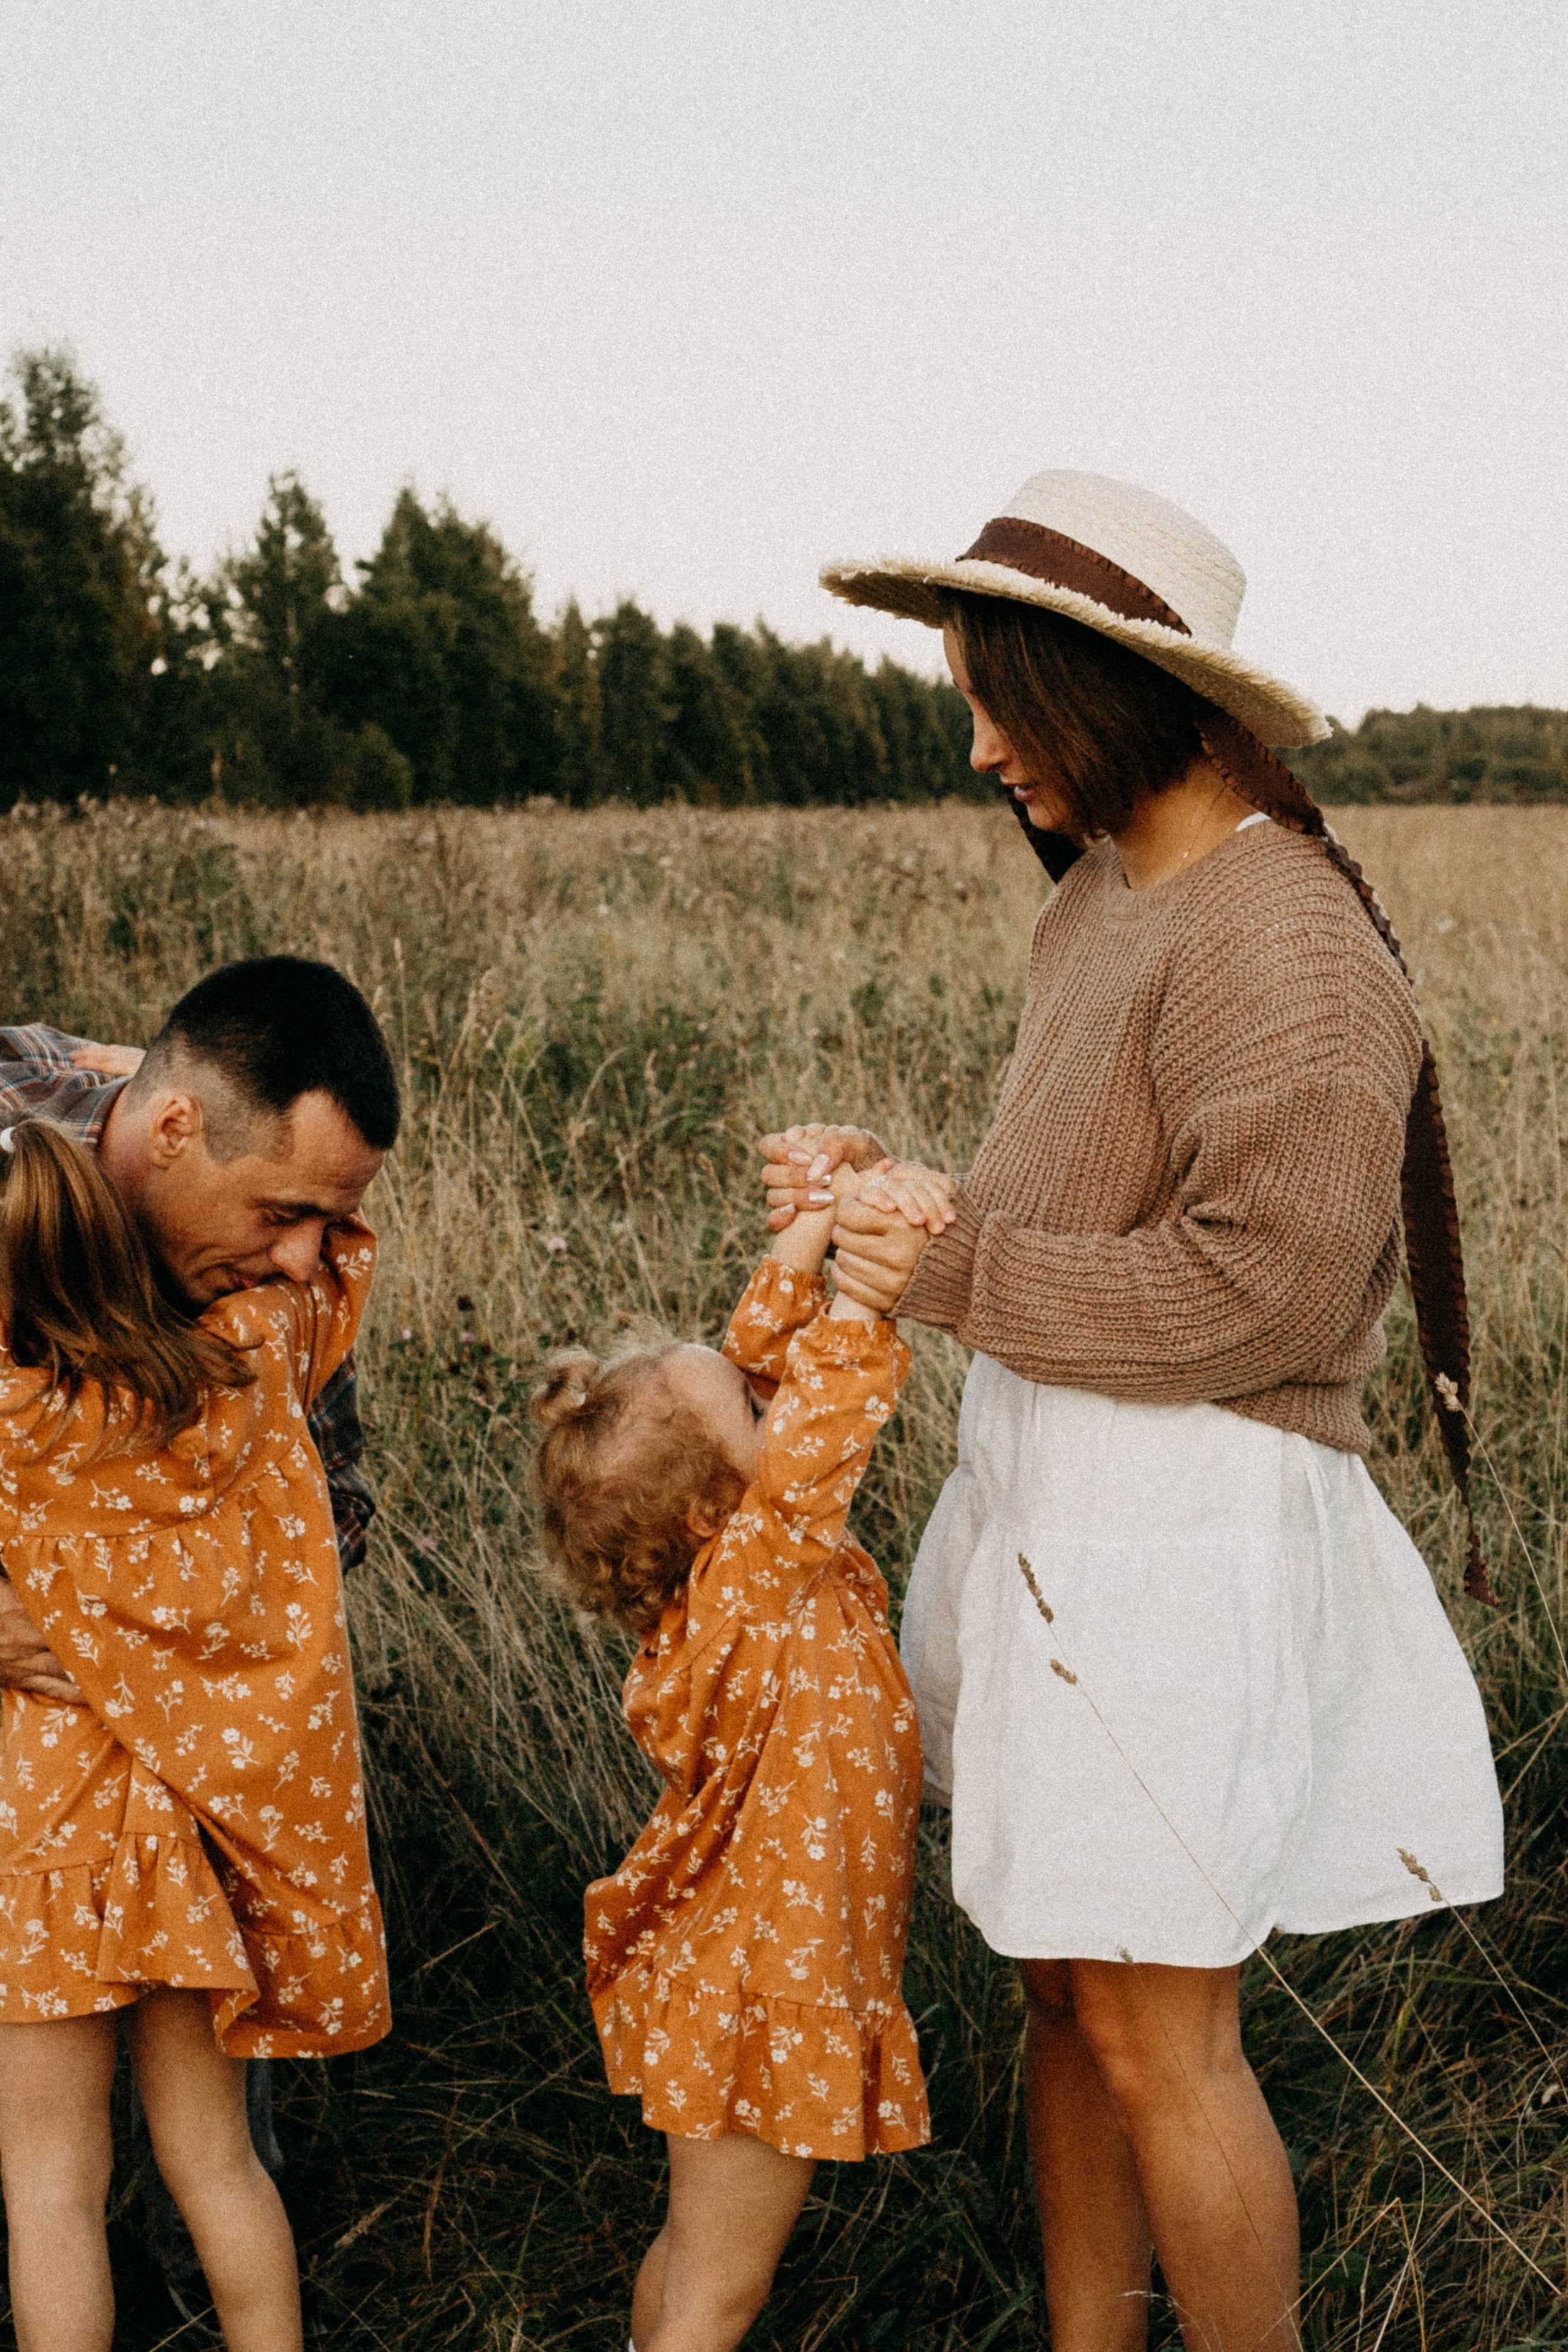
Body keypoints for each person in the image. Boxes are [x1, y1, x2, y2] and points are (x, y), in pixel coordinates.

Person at [762, 471, 1506, 2352]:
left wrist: (936, 1275)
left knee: (1165, 2031)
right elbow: (1092, 1217)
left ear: (1114, 693)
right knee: (1062, 1994)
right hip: (1062, 1496)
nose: (987, 746)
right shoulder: (1111, 891)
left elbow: (1260, 1290)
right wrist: (900, 1198)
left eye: (1006, 702)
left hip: (1182, 1539)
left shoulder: (1289, 944)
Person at [0, 957, 399, 2323]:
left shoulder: (257, 1292)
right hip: (175, 1797)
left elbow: (326, 1515)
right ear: (171, 1131)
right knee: (204, 2151)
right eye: (286, 1212)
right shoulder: (24, 1158)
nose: (306, 1259)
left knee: (54, 2175)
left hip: (57, 1806)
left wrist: (108, 1611)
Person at [530, 1163, 949, 2352]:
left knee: (693, 2258)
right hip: (772, 1985)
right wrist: (861, 1299)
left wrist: (810, 1228)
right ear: (721, 1509)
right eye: (751, 1417)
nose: (771, 1399)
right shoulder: (760, 1584)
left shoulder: (721, 1587)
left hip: (732, 1964)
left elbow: (750, 1372)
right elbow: (812, 1433)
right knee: (717, 2295)